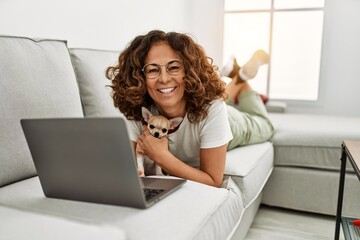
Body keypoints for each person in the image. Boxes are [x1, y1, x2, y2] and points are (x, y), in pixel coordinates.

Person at [105, 30, 274, 188]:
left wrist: (161, 156)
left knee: (266, 125)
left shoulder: (213, 108)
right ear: (140, 76)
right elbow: (127, 170)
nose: (164, 79)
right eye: (153, 70)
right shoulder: (138, 109)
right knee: (221, 97)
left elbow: (213, 181)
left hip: (231, 122)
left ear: (189, 71)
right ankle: (239, 75)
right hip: (209, 110)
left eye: (174, 67)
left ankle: (242, 80)